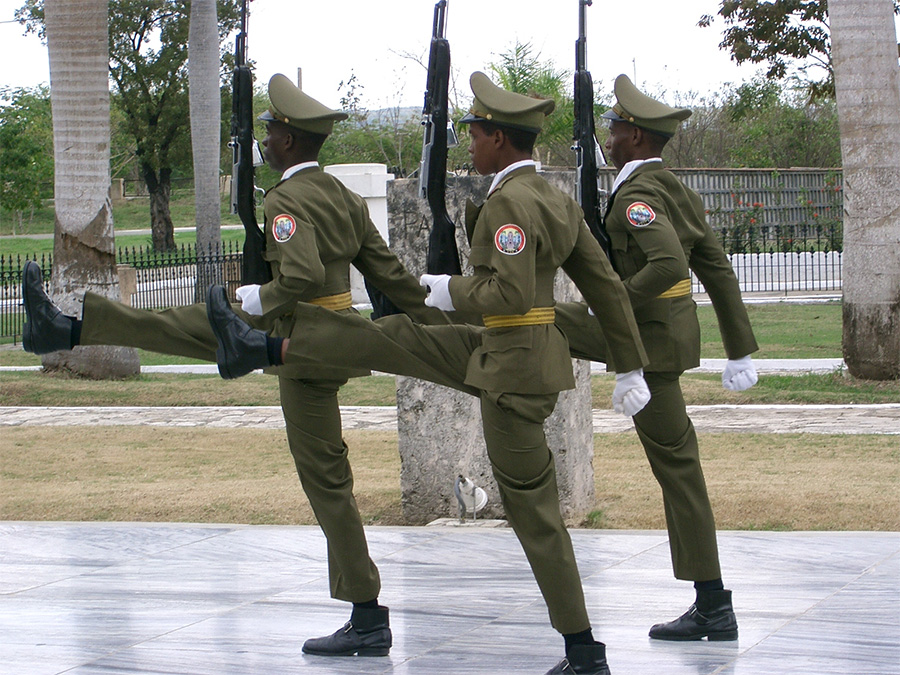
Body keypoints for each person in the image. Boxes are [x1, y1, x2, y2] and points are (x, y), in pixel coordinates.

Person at [206, 71, 652, 675]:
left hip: (512, 366)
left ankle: (583, 651)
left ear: (498, 139)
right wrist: (627, 365)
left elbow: (511, 295)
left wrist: (448, 290)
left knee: (535, 512)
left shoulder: (512, 203)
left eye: (475, 131)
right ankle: (267, 350)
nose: (468, 140)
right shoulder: (555, 196)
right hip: (505, 353)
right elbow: (605, 286)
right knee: (395, 335)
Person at [21, 73, 452, 658]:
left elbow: (296, 279)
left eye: (273, 130)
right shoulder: (343, 197)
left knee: (326, 483)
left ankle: (367, 614)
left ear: (292, 142)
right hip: (329, 332)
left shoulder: (286, 200)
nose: (267, 139)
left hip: (295, 339)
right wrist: (444, 324)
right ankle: (67, 327)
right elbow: (390, 276)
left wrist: (254, 302)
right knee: (181, 324)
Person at [554, 74, 760, 642]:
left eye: (616, 127)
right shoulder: (673, 187)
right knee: (680, 466)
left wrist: (607, 305)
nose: (609, 135)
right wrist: (737, 347)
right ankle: (711, 601)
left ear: (637, 137)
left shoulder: (640, 196)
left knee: (533, 320)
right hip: (666, 337)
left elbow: (669, 266)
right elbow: (715, 265)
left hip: (646, 341)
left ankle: (713, 605)